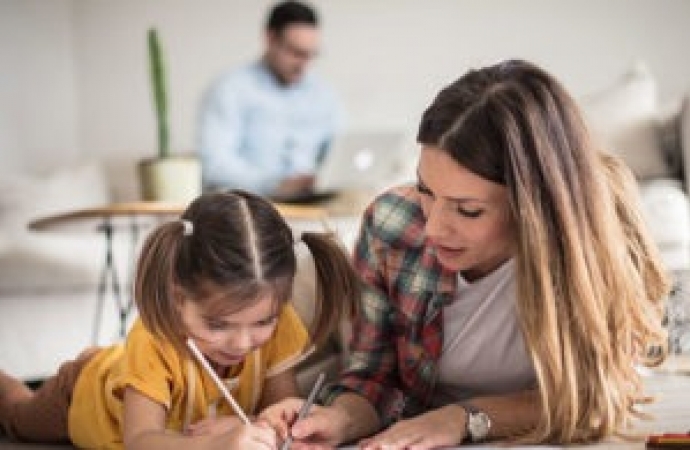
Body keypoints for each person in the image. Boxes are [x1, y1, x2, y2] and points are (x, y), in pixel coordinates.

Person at [261, 59, 670, 449]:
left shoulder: (597, 237)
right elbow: (374, 376)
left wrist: (463, 418)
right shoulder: (392, 226)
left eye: (467, 210)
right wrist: (340, 420)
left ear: (532, 206)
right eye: (426, 191)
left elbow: (596, 398)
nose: (434, 227)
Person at [0, 190, 360, 449]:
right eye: (218, 324)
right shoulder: (154, 338)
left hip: (133, 380)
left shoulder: (280, 326)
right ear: (177, 297)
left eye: (262, 321)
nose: (242, 343)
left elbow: (275, 410)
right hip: (83, 396)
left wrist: (281, 426)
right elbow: (141, 440)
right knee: (16, 416)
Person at [197, 0, 341, 198]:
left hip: (313, 207)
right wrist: (275, 185)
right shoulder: (230, 89)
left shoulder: (323, 94)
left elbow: (338, 152)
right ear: (270, 38)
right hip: (251, 209)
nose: (303, 64)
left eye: (310, 54)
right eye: (296, 52)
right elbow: (214, 165)